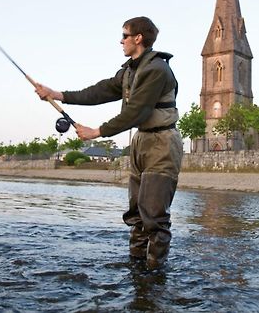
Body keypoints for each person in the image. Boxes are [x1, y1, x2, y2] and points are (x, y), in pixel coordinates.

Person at [35, 16, 183, 270]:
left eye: (125, 35)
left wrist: (96, 132)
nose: (121, 40)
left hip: (162, 143)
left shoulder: (157, 70)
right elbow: (101, 91)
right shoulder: (129, 70)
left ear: (138, 38)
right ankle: (136, 268)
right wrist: (58, 95)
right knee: (136, 213)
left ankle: (155, 278)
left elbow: (136, 111)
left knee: (154, 216)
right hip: (140, 141)